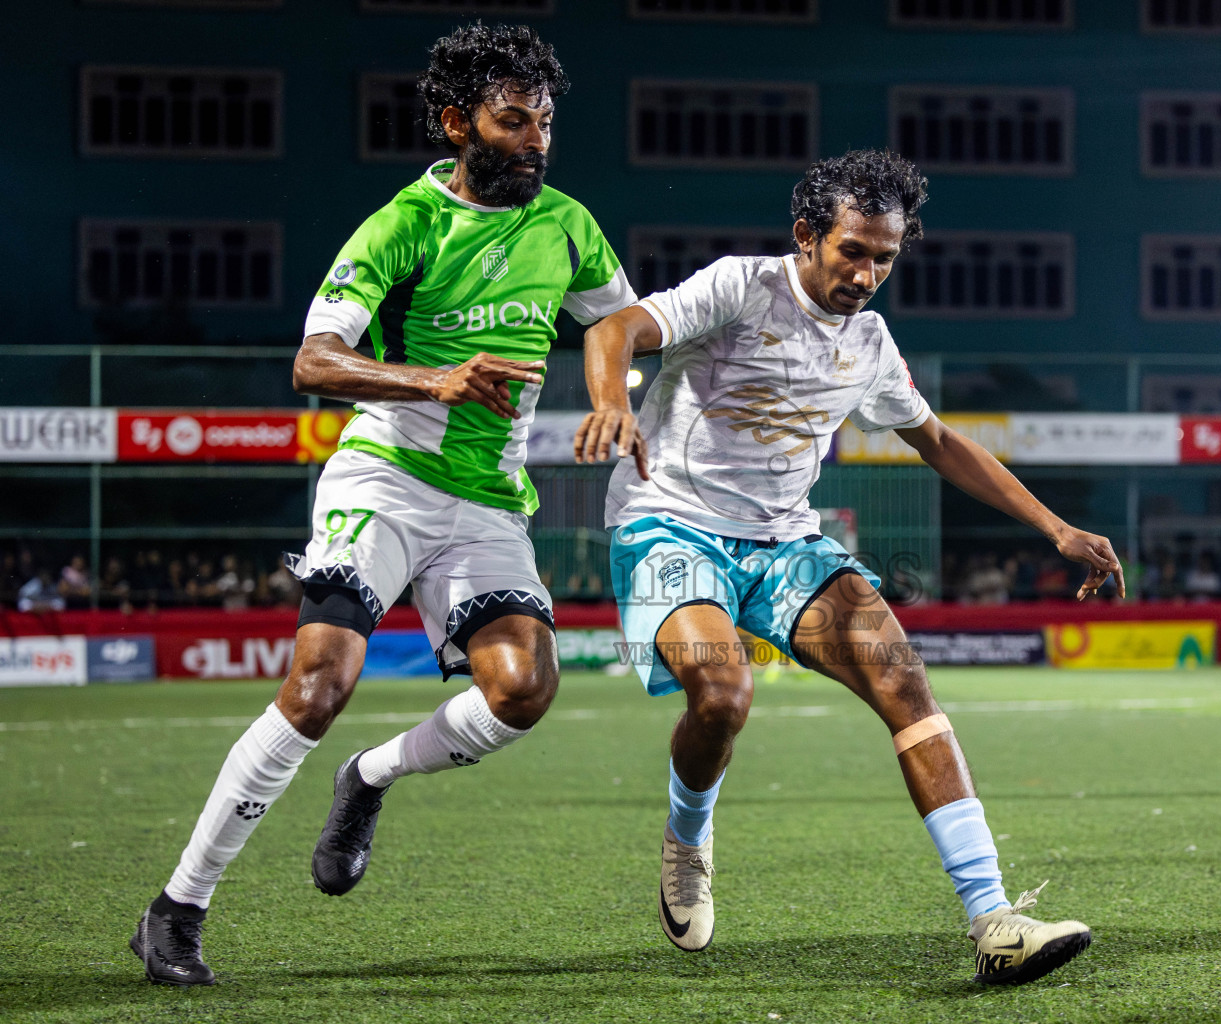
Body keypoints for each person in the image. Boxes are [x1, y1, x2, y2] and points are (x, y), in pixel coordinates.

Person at [129, 22, 636, 987]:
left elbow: (618, 318)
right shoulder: (401, 224)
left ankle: (369, 778)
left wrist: (616, 393)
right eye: (513, 120)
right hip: (384, 482)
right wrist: (432, 380)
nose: (536, 140)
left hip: (488, 503)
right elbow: (313, 362)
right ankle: (177, 909)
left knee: (524, 692)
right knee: (319, 685)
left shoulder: (567, 223)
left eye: (545, 123)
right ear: (457, 123)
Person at [575, 149, 1123, 985]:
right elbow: (615, 328)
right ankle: (688, 838)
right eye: (853, 252)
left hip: (787, 544)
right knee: (722, 694)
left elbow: (936, 441)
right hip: (666, 527)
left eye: (885, 259)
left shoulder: (868, 341)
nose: (867, 274)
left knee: (905, 682)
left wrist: (1056, 529)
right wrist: (613, 401)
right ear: (807, 237)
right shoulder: (738, 286)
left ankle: (994, 920)